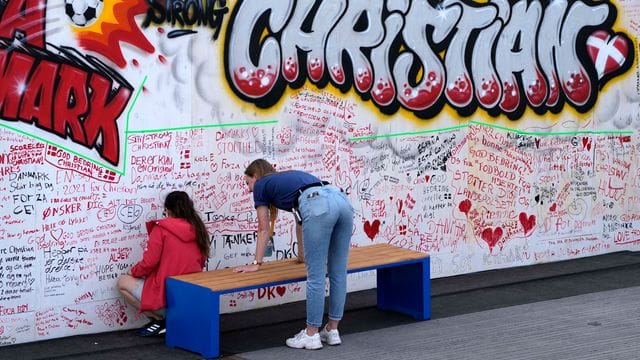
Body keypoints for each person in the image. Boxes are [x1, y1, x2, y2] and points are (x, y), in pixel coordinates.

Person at [234, 159, 354, 350]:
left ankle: (311, 334)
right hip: (340, 199)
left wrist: (257, 262)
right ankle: (332, 331)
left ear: (255, 176)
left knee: (315, 276)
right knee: (338, 272)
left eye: (247, 183)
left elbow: (263, 228)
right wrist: (301, 255)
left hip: (317, 204)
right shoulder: (288, 178)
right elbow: (302, 221)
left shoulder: (262, 185)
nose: (249, 190)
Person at [117, 191, 209, 337]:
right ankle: (167, 321)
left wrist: (133, 272)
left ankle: (160, 320)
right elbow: (202, 261)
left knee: (123, 282)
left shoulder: (161, 229)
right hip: (191, 295)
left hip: (165, 298)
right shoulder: (198, 228)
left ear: (168, 209)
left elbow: (149, 263)